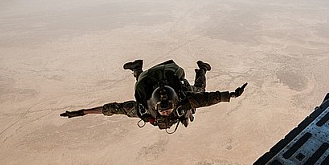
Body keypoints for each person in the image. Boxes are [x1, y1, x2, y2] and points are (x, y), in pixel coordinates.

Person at [61, 59, 248, 132]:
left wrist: (231, 95)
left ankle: (202, 70)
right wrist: (82, 112)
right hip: (151, 79)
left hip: (170, 82)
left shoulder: (182, 101)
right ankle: (138, 69)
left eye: (166, 110)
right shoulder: (145, 106)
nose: (166, 113)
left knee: (197, 92)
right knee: (141, 86)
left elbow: (209, 99)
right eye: (165, 110)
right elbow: (111, 109)